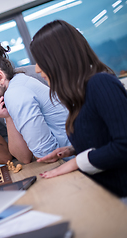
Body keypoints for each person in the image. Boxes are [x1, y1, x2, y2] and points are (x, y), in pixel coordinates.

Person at [30, 20, 127, 199]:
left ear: (58, 58)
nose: (36, 69)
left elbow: (123, 145)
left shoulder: (101, 84)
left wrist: (76, 162)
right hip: (102, 193)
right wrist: (73, 149)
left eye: (40, 61)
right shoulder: (80, 92)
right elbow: (103, 137)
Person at [0, 40, 71, 164]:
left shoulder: (16, 93)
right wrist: (8, 117)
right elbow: (24, 157)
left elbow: (46, 156)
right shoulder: (13, 88)